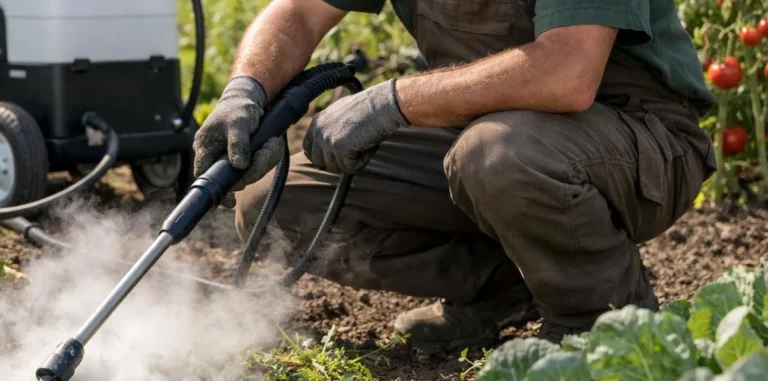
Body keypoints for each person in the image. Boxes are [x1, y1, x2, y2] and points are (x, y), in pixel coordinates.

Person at [192, 0, 717, 350]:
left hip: (636, 132)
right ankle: (511, 287)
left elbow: (568, 74)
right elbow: (300, 12)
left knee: (497, 155)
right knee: (279, 203)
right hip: (481, 128)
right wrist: (247, 88)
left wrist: (393, 100)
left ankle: (602, 324)